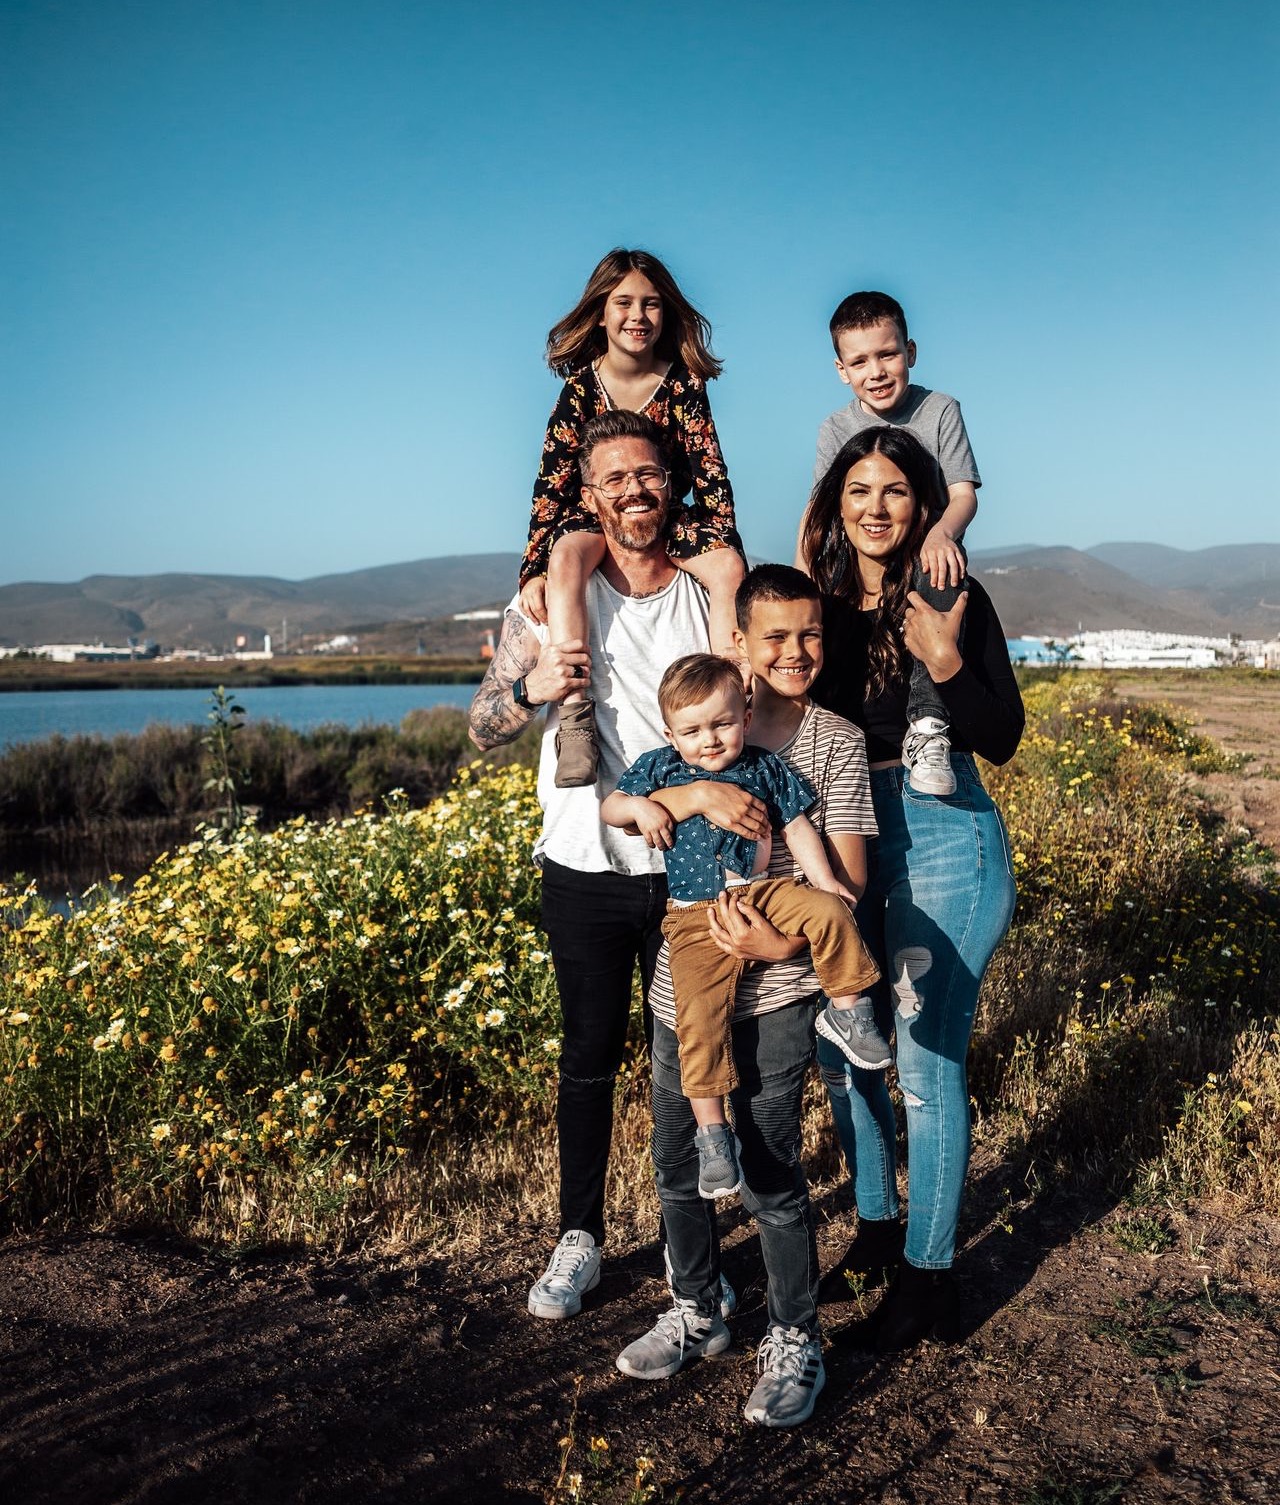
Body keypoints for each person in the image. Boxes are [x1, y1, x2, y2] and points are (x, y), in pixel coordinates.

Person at [469, 408, 748, 1324]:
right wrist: (529, 687)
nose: (635, 490)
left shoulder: (706, 597)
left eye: (650, 474)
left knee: (687, 1060)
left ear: (671, 485)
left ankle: (688, 1250)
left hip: (689, 870)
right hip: (585, 861)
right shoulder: (549, 601)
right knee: (589, 1055)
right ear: (588, 496)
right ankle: (579, 1236)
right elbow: (481, 728)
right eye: (615, 478)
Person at [613, 565, 878, 1428]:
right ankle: (698, 1307)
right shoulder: (695, 728)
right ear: (738, 643)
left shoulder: (830, 740)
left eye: (811, 636)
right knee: (678, 1160)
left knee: (769, 1169)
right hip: (679, 983)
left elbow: (847, 876)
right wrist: (689, 792)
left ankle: (794, 1334)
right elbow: (621, 807)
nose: (796, 652)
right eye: (775, 636)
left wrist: (780, 940)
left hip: (781, 983)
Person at [799, 425, 1023, 1350]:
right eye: (858, 490)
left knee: (926, 1070)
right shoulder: (815, 604)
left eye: (895, 490)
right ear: (834, 505)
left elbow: (1000, 732)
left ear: (923, 504)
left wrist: (941, 653)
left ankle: (932, 1278)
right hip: (846, 830)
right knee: (846, 1048)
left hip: (943, 835)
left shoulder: (953, 594)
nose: (876, 507)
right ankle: (879, 1228)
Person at [601, 653, 884, 1202]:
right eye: (692, 730)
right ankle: (712, 1131)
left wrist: (827, 884)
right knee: (698, 1018)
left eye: (722, 724)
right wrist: (643, 809)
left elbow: (798, 826)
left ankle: (850, 1013)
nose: (709, 740)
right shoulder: (660, 768)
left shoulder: (764, 767)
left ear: (746, 719)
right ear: (670, 733)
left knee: (831, 913)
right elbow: (611, 808)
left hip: (766, 894)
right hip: (693, 914)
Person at [519, 248, 745, 789]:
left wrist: (724, 546)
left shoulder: (684, 382)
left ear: (666, 313)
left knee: (729, 570)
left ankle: (734, 698)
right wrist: (532, 569)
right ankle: (576, 716)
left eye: (650, 304)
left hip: (671, 514)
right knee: (568, 555)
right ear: (601, 312)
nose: (637, 316)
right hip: (594, 515)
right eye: (623, 303)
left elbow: (710, 470)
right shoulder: (578, 388)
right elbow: (551, 482)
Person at [801, 290, 981, 799]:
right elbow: (818, 510)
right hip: (857, 561)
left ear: (911, 353)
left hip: (926, 556)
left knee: (942, 571)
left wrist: (942, 532)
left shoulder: (940, 409)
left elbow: (962, 494)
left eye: (887, 354)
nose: (876, 371)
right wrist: (801, 577)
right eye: (860, 361)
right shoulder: (836, 428)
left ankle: (927, 728)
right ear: (841, 369)